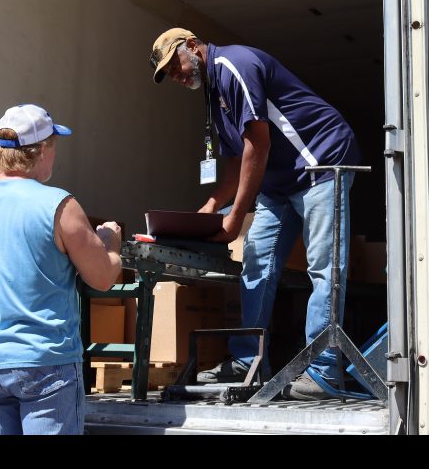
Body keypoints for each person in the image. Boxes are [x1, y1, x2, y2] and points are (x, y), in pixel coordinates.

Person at [149, 28, 361, 401]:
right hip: (279, 183)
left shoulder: (233, 65)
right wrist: (213, 207)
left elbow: (257, 145)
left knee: (324, 266)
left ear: (193, 46)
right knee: (257, 264)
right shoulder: (214, 94)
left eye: (175, 64)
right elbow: (235, 162)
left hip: (322, 163)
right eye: (169, 74)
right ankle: (248, 361)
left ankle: (324, 370)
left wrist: (236, 218)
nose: (177, 76)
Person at [0, 103, 122, 434]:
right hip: (45, 363)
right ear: (42, 150)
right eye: (54, 147)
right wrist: (111, 243)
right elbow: (102, 278)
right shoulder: (60, 205)